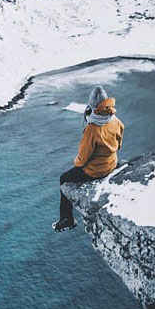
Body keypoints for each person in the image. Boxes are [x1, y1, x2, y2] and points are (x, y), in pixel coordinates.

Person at [52, 85, 124, 231]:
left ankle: (67, 220)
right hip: (112, 163)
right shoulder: (115, 120)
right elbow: (119, 144)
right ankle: (67, 220)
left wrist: (76, 162)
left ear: (92, 107)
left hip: (96, 171)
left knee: (64, 179)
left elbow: (82, 159)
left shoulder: (92, 129)